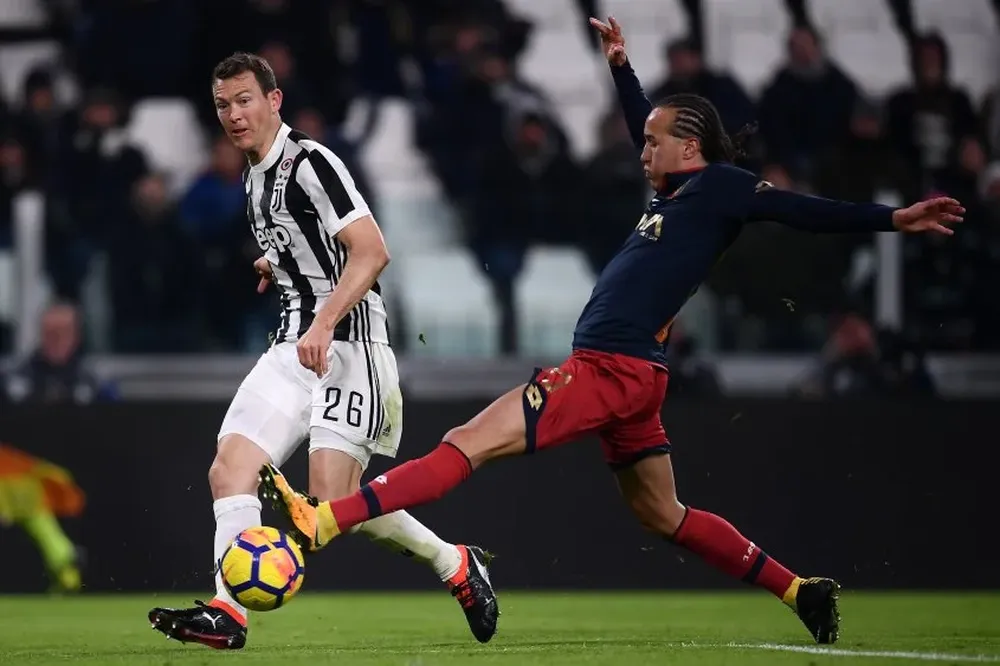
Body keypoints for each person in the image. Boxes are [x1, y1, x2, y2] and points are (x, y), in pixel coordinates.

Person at [258, 17, 964, 646]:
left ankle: (326, 520)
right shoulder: (681, 189)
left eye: (655, 143)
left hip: (608, 369)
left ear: (689, 147)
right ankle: (797, 589)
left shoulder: (722, 186)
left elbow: (801, 210)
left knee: (465, 444)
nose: (641, 151)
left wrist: (891, 218)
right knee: (664, 514)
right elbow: (645, 128)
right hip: (636, 377)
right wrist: (622, 71)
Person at [148, 53, 498, 651]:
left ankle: (456, 564)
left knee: (332, 505)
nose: (234, 115)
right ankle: (229, 612)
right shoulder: (253, 175)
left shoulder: (311, 161)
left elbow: (371, 250)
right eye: (223, 105)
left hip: (350, 344)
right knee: (228, 469)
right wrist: (278, 266)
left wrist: (325, 321)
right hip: (293, 345)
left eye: (245, 100)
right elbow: (310, 251)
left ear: (274, 100)